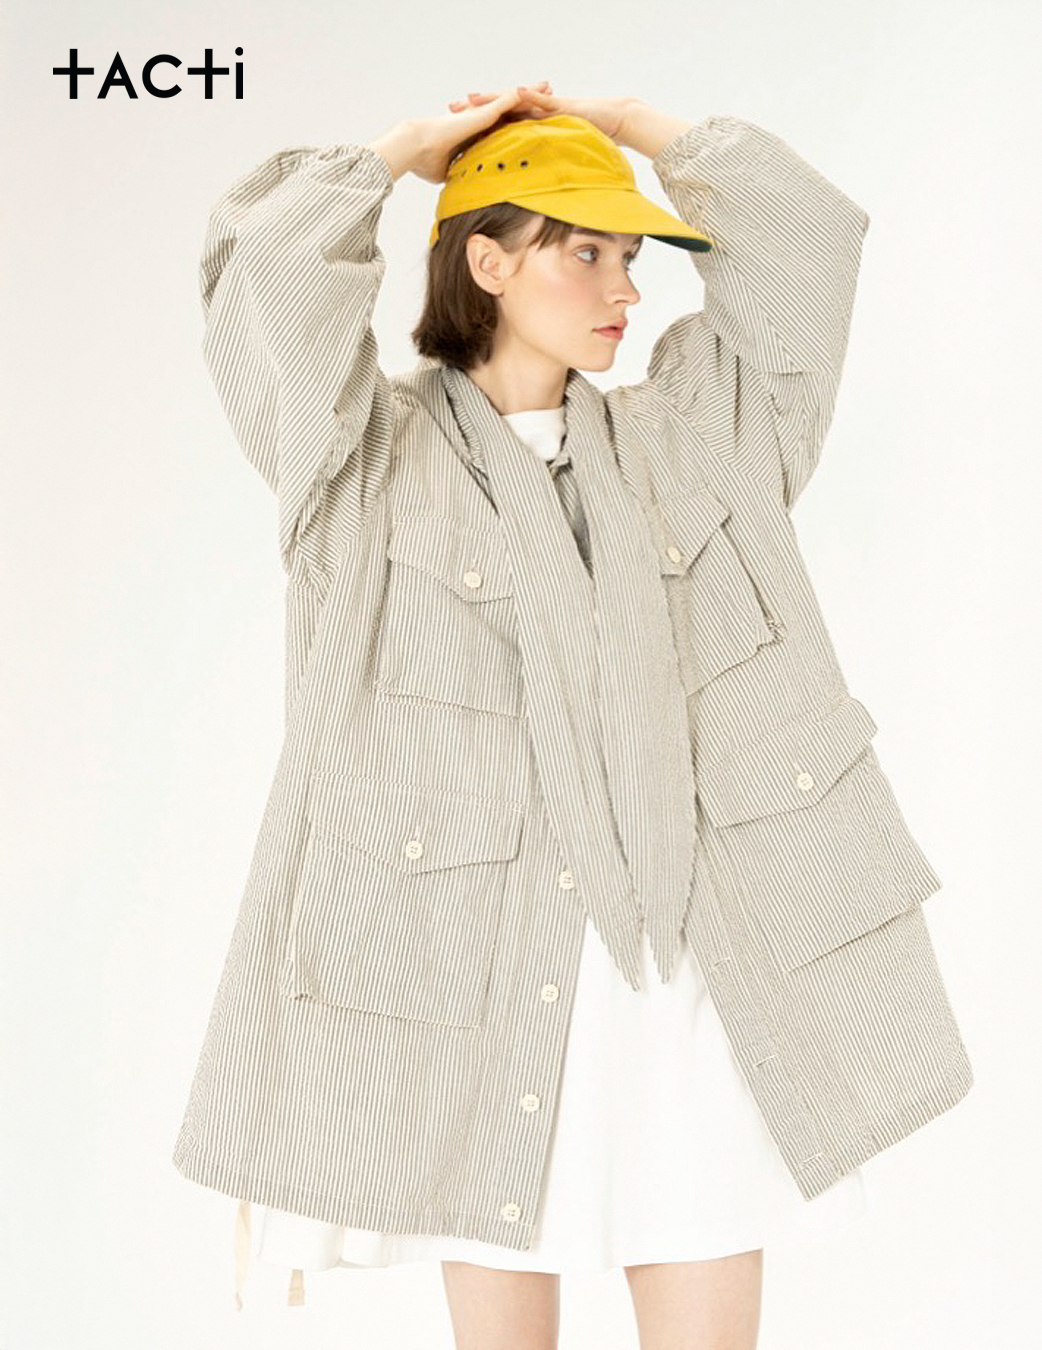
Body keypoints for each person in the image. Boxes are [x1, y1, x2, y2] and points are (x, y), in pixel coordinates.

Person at [179, 82, 972, 1350]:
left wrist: (634, 126)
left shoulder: (699, 438)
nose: (625, 289)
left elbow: (808, 244)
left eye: (631, 257)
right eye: (585, 252)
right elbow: (263, 278)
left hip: (691, 960)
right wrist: (403, 155)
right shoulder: (360, 462)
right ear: (487, 263)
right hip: (477, 972)